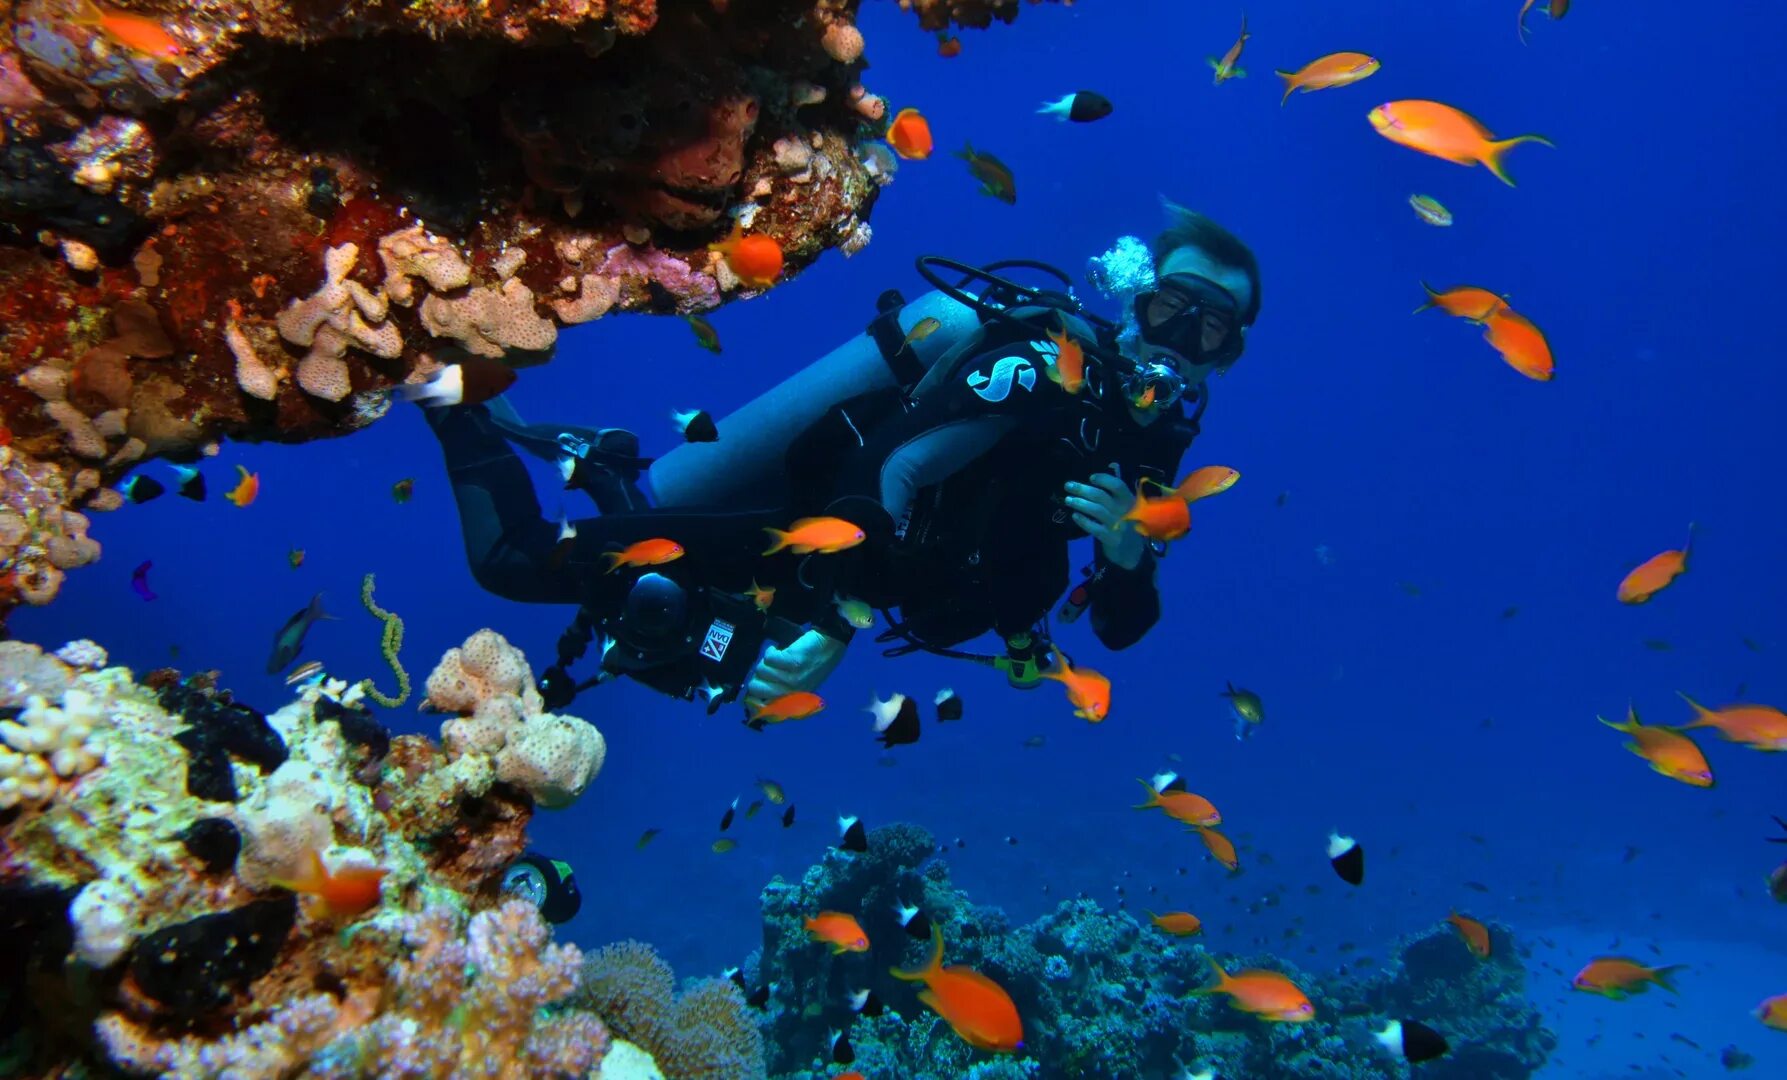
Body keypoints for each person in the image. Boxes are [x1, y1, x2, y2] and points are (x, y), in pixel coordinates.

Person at [421, 201, 1261, 715]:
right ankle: (436, 384)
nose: (1180, 338)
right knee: (513, 564)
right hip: (814, 534)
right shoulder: (1041, 363)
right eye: (1169, 308)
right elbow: (890, 467)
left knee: (659, 620)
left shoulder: (1155, 448)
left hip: (856, 577)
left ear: (1227, 357)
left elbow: (1121, 630)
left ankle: (600, 466)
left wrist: (1122, 558)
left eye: (1210, 325)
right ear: (1134, 302)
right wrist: (832, 617)